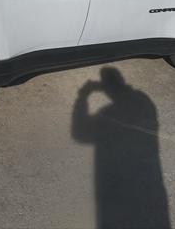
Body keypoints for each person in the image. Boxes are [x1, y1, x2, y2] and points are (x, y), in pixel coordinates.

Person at [72, 66, 170, 228]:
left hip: (121, 186)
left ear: (105, 88)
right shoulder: (143, 100)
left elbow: (80, 134)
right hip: (149, 182)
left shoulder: (109, 112)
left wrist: (83, 96)